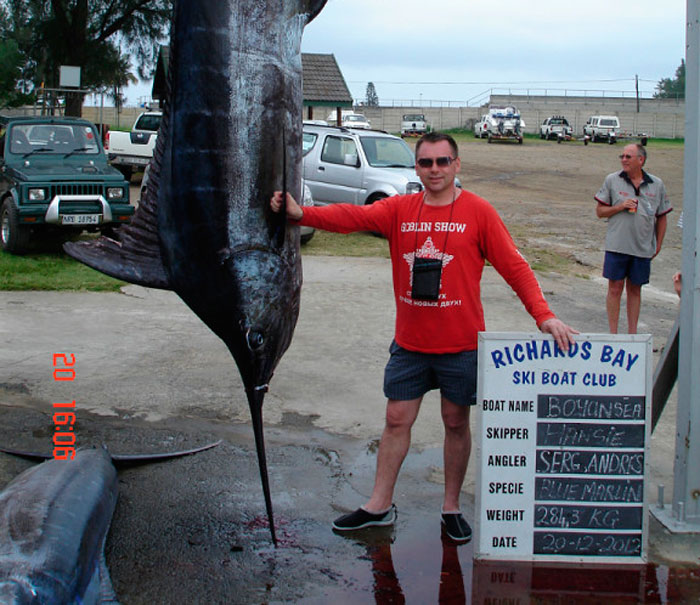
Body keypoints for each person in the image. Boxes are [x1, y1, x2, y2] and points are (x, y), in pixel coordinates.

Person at [270, 132, 577, 542]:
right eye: (426, 162)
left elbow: (514, 267)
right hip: (411, 345)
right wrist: (300, 214)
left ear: (457, 165)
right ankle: (378, 505)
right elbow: (349, 218)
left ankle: (450, 507)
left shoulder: (479, 212)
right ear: (416, 167)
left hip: (461, 345)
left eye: (443, 162)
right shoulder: (399, 210)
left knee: (455, 422)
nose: (435, 170)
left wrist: (544, 316)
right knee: (396, 420)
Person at [595, 143, 672, 333]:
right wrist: (620, 206)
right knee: (614, 288)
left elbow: (662, 217)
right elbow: (600, 212)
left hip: (642, 247)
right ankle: (613, 334)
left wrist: (658, 244)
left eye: (628, 157)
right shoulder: (612, 180)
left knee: (635, 289)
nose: (623, 160)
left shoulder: (657, 184)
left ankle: (632, 334)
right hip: (617, 245)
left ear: (641, 160)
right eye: (622, 156)